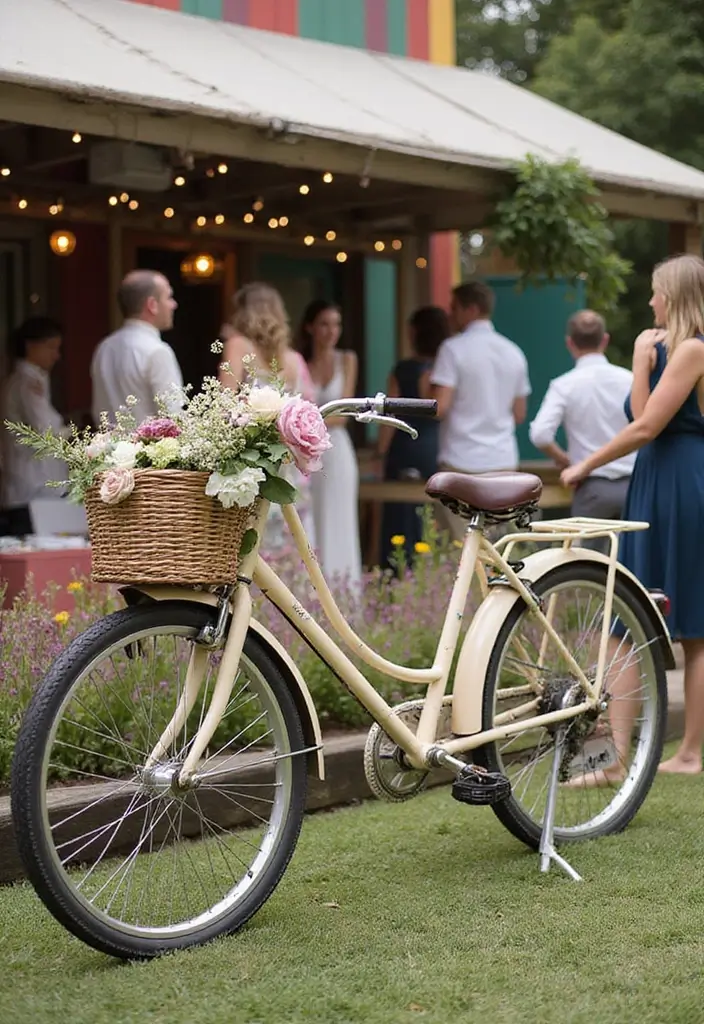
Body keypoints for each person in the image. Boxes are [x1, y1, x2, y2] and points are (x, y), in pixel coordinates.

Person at [562, 254, 704, 777]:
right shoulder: (666, 348)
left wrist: (585, 465)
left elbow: (646, 426)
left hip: (684, 485)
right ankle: (615, 756)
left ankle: (688, 753)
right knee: (624, 617)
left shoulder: (692, 349)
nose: (649, 302)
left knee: (691, 626)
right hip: (655, 481)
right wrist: (642, 363)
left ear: (676, 296)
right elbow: (641, 413)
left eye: (655, 292)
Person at [430, 280, 531, 541]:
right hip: (503, 460)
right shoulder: (514, 352)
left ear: (471, 309)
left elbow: (440, 407)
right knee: (498, 548)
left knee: (459, 547)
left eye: (455, 308)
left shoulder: (452, 349)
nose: (450, 316)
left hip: (460, 460)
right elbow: (520, 414)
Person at [219, 282, 316, 554]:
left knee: (250, 552)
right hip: (290, 471)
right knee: (290, 550)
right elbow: (310, 409)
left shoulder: (238, 346)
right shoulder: (295, 360)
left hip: (252, 466)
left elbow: (224, 403)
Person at [529, 309, 635, 528]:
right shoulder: (630, 380)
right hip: (633, 486)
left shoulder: (564, 385)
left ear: (570, 343)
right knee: (632, 558)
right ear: (605, 340)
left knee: (584, 559)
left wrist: (565, 460)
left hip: (591, 488)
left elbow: (540, 434)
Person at [376, 305, 450, 567]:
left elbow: (389, 416)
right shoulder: (444, 370)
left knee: (397, 511)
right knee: (429, 510)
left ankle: (395, 565)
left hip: (403, 445)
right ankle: (427, 565)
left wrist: (380, 453)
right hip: (432, 445)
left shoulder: (404, 369)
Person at [297, 299, 362, 585]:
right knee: (309, 516)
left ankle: (342, 588)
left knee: (339, 518)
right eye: (324, 324)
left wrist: (304, 421)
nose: (331, 331)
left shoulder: (347, 360)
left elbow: (344, 412)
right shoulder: (299, 363)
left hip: (337, 448)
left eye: (336, 324)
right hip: (307, 449)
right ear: (310, 327)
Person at [0, 317, 69, 535]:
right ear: (31, 345)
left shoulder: (27, 380)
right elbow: (44, 432)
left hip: (31, 488)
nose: (56, 356)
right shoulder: (27, 382)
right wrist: (73, 432)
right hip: (33, 489)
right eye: (51, 347)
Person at [91, 270, 182, 426]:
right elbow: (173, 418)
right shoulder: (157, 351)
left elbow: (98, 411)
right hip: (148, 448)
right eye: (168, 297)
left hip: (106, 448)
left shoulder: (104, 347)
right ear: (152, 305)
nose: (174, 304)